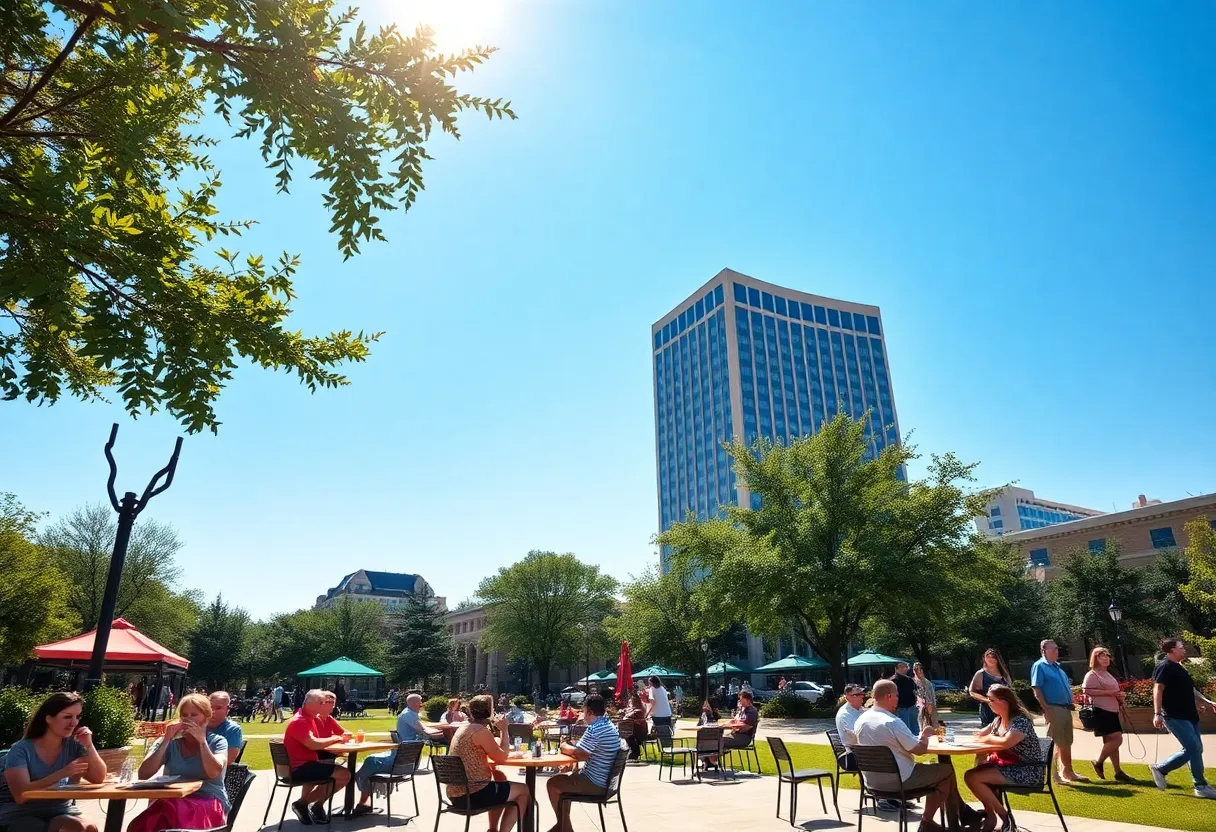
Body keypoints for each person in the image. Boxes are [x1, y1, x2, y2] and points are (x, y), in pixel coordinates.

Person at [854, 680, 967, 832]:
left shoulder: (861, 720)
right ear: (889, 696)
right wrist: (926, 735)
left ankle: (962, 814)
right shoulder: (892, 722)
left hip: (872, 782)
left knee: (937, 771)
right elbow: (919, 750)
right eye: (896, 695)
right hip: (901, 780)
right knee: (946, 770)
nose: (898, 698)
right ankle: (931, 822)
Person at [1, 692, 106, 832]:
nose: (74, 722)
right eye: (67, 717)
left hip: (62, 810)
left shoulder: (73, 746)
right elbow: (21, 794)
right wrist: (63, 773)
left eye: (77, 717)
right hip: (21, 813)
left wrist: (88, 745)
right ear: (49, 718)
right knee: (34, 828)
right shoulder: (20, 750)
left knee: (86, 827)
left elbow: (98, 778)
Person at [128, 694, 229, 832]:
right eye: (184, 715)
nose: (188, 719)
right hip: (172, 800)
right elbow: (144, 774)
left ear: (207, 717)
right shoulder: (172, 743)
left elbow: (213, 772)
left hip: (208, 801)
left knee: (168, 809)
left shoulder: (217, 742)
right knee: (158, 813)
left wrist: (202, 742)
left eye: (194, 715)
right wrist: (166, 740)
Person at [963, 685, 1047, 832]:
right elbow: (977, 736)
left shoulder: (1020, 722)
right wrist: (985, 738)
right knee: (972, 775)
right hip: (1007, 767)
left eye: (991, 700)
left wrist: (988, 738)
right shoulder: (997, 721)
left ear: (1004, 701)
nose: (988, 703)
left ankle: (1003, 817)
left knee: (973, 777)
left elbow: (1007, 742)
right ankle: (992, 817)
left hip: (1027, 770)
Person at [446, 695, 529, 832]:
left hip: (456, 794)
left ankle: (492, 829)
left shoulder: (464, 728)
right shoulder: (480, 731)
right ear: (490, 712)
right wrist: (504, 730)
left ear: (471, 712)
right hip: (472, 794)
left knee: (500, 778)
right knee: (523, 790)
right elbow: (501, 758)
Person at [1150, 638, 1216, 798]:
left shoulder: (1180, 668)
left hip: (1190, 715)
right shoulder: (1164, 667)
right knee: (1194, 748)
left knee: (1195, 749)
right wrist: (1157, 713)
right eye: (1181, 647)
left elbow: (1190, 690)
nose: (1184, 650)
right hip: (1174, 716)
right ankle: (1199, 785)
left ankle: (1161, 769)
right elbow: (1157, 690)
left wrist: (1207, 702)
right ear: (1171, 650)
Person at [546, 694, 621, 832]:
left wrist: (564, 746)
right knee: (563, 779)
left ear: (590, 712)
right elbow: (583, 750)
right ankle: (563, 827)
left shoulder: (594, 729)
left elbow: (580, 754)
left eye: (584, 710)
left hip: (595, 783)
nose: (582, 714)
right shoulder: (608, 725)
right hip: (605, 781)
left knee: (553, 784)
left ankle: (564, 828)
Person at [283, 690, 351, 825]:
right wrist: (335, 738)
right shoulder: (300, 721)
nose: (324, 705)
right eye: (321, 703)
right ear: (311, 704)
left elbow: (316, 741)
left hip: (308, 764)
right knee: (344, 774)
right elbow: (313, 744)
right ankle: (307, 804)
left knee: (340, 773)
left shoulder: (309, 718)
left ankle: (309, 804)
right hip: (300, 768)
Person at [1030, 639, 1086, 783]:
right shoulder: (1040, 666)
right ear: (1043, 651)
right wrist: (1046, 709)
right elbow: (1037, 689)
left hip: (1065, 708)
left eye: (1057, 648)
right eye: (1053, 649)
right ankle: (1053, 775)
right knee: (1054, 742)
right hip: (1053, 708)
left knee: (1066, 742)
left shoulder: (1058, 668)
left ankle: (1067, 771)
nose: (1056, 651)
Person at [1081, 647, 1129, 781]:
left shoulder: (1108, 673)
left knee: (1111, 742)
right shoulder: (1092, 674)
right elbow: (1087, 691)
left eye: (1107, 656)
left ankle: (1118, 771)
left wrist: (1120, 696)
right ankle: (1098, 762)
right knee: (1117, 739)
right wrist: (1110, 693)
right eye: (1102, 656)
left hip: (1113, 710)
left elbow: (1114, 690)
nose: (1106, 658)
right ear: (1095, 659)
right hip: (1101, 711)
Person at [969, 649, 1011, 729]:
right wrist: (988, 701)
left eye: (993, 657)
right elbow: (972, 692)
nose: (990, 659)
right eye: (988, 657)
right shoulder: (981, 673)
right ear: (984, 658)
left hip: (1005, 710)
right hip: (989, 710)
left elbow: (1011, 691)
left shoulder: (1004, 673)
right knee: (990, 733)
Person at [835, 683, 866, 774]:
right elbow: (856, 733)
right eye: (857, 695)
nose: (861, 697)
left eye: (862, 694)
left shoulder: (860, 710)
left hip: (863, 752)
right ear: (847, 697)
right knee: (887, 759)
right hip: (852, 756)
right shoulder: (845, 714)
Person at [206, 691, 244, 764]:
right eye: (209, 707)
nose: (212, 711)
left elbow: (229, 759)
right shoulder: (199, 726)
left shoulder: (233, 729)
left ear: (227, 709)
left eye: (218, 708)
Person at [890, 662, 919, 734]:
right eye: (901, 667)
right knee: (904, 731)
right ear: (896, 669)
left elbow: (915, 691)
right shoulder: (893, 681)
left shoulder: (910, 680)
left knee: (915, 730)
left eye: (906, 667)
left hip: (912, 707)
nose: (904, 668)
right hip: (900, 708)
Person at [619, 694, 648, 760]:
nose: (629, 704)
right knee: (627, 735)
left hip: (640, 734)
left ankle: (635, 753)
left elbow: (627, 717)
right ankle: (634, 752)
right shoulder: (633, 710)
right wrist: (623, 711)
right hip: (633, 733)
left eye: (630, 702)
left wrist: (626, 713)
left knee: (628, 736)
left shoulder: (638, 711)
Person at [913, 663, 938, 731]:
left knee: (932, 722)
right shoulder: (912, 682)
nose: (919, 671)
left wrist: (933, 704)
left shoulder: (927, 682)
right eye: (917, 669)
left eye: (920, 669)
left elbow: (932, 694)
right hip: (919, 706)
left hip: (929, 705)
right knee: (921, 722)